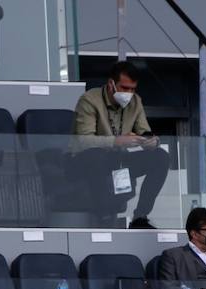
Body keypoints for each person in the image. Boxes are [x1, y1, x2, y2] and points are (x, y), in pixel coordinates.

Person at [71, 61, 169, 229]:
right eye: (124, 88)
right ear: (111, 84)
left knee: (160, 156)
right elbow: (83, 141)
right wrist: (117, 141)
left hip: (118, 159)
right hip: (85, 160)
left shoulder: (135, 102)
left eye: (132, 89)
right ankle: (104, 215)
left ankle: (140, 217)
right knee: (98, 156)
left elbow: (144, 130)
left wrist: (151, 141)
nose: (129, 93)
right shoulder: (89, 100)